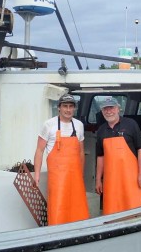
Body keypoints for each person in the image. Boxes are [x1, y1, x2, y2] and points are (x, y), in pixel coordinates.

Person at [34, 93, 89, 225]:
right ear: (59, 108)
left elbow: (81, 151)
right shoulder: (49, 125)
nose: (68, 110)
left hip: (75, 177)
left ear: (74, 108)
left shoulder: (79, 125)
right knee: (57, 207)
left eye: (71, 106)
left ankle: (79, 232)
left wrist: (80, 174)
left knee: (77, 207)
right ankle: (56, 233)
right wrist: (36, 174)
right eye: (65, 106)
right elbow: (39, 150)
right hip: (57, 177)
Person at [95, 96, 141, 215]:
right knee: (112, 213)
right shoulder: (101, 131)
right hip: (111, 181)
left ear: (118, 109)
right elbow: (100, 157)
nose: (109, 111)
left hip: (132, 179)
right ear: (102, 112)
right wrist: (98, 180)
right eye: (105, 109)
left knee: (135, 211)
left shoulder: (131, 124)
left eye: (111, 108)